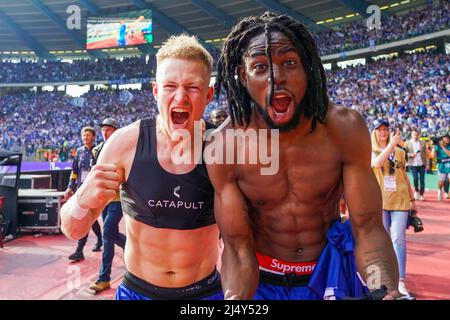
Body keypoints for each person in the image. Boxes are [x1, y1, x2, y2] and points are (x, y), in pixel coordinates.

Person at [208, 11, 401, 300]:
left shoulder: (343, 129)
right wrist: (235, 300)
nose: (277, 78)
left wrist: (382, 289)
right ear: (242, 77)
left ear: (307, 68)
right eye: (260, 67)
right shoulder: (225, 147)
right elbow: (237, 247)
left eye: (289, 63)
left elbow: (368, 228)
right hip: (261, 281)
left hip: (330, 275)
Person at [60, 35, 223, 300]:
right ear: (156, 91)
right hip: (139, 292)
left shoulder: (223, 148)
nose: (180, 96)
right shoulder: (124, 144)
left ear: (208, 94)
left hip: (204, 293)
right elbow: (73, 229)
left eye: (192, 87)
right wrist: (81, 198)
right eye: (170, 86)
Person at [371, 119, 416, 298]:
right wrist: (391, 144)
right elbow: (376, 164)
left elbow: (403, 175)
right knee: (383, 241)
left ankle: (400, 281)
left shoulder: (400, 152)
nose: (383, 132)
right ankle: (386, 280)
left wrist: (413, 198)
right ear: (374, 133)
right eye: (379, 129)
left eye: (385, 129)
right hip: (380, 201)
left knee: (398, 239)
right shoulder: (372, 150)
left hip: (400, 200)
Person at [89, 118, 127, 293]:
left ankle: (104, 278)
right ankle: (131, 246)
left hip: (118, 199)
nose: (105, 132)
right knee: (110, 234)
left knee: (107, 234)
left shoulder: (123, 148)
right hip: (104, 199)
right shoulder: (96, 150)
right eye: (103, 129)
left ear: (116, 131)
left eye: (109, 129)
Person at [64, 126, 102, 261]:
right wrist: (70, 187)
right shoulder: (79, 152)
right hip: (80, 189)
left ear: (93, 137)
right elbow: (74, 171)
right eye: (83, 135)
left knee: (86, 217)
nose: (85, 137)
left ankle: (79, 250)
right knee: (89, 218)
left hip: (93, 189)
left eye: (88, 135)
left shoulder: (98, 150)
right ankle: (100, 239)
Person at [404, 128, 428, 201]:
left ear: (419, 135)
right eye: (414, 135)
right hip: (413, 164)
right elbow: (404, 153)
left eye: (417, 135)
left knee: (422, 179)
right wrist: (410, 155)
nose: (415, 136)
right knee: (415, 179)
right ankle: (416, 191)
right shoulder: (407, 143)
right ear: (411, 135)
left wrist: (427, 164)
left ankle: (421, 194)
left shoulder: (423, 143)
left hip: (422, 164)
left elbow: (426, 154)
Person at [431, 134, 450, 200]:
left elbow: (449, 154)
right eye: (444, 138)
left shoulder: (448, 146)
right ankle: (440, 190)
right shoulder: (437, 146)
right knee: (441, 182)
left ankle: (447, 192)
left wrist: (442, 146)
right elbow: (433, 156)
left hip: (449, 165)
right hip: (441, 166)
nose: (446, 140)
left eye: (447, 138)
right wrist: (434, 147)